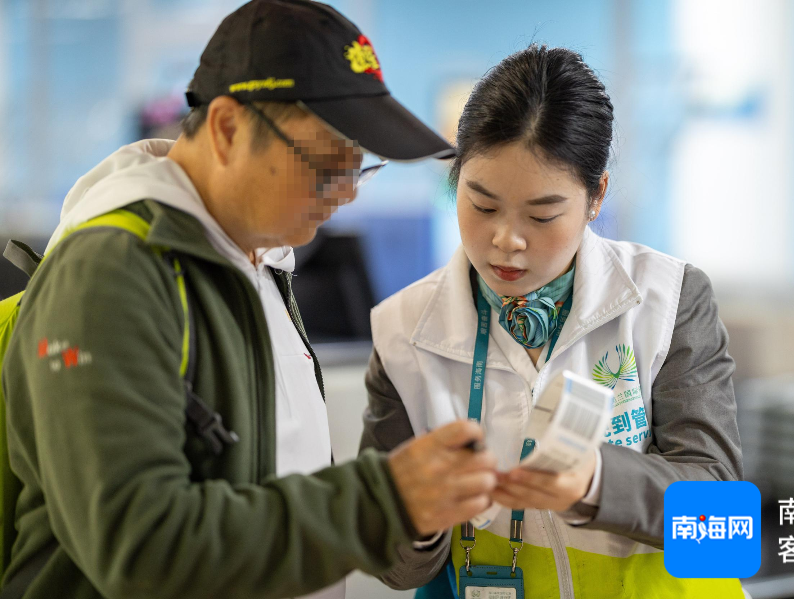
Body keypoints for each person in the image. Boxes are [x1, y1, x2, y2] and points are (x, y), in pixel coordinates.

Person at [0, 1, 498, 597]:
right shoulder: (111, 273)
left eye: (359, 169)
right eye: (322, 167)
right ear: (229, 129)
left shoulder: (259, 262)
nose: (344, 195)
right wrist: (379, 501)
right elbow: (140, 546)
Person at [360, 45, 745, 598]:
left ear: (596, 197)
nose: (506, 241)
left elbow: (722, 527)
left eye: (543, 215)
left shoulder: (665, 301)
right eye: (483, 205)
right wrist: (420, 513)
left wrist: (595, 483)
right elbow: (394, 568)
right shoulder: (404, 333)